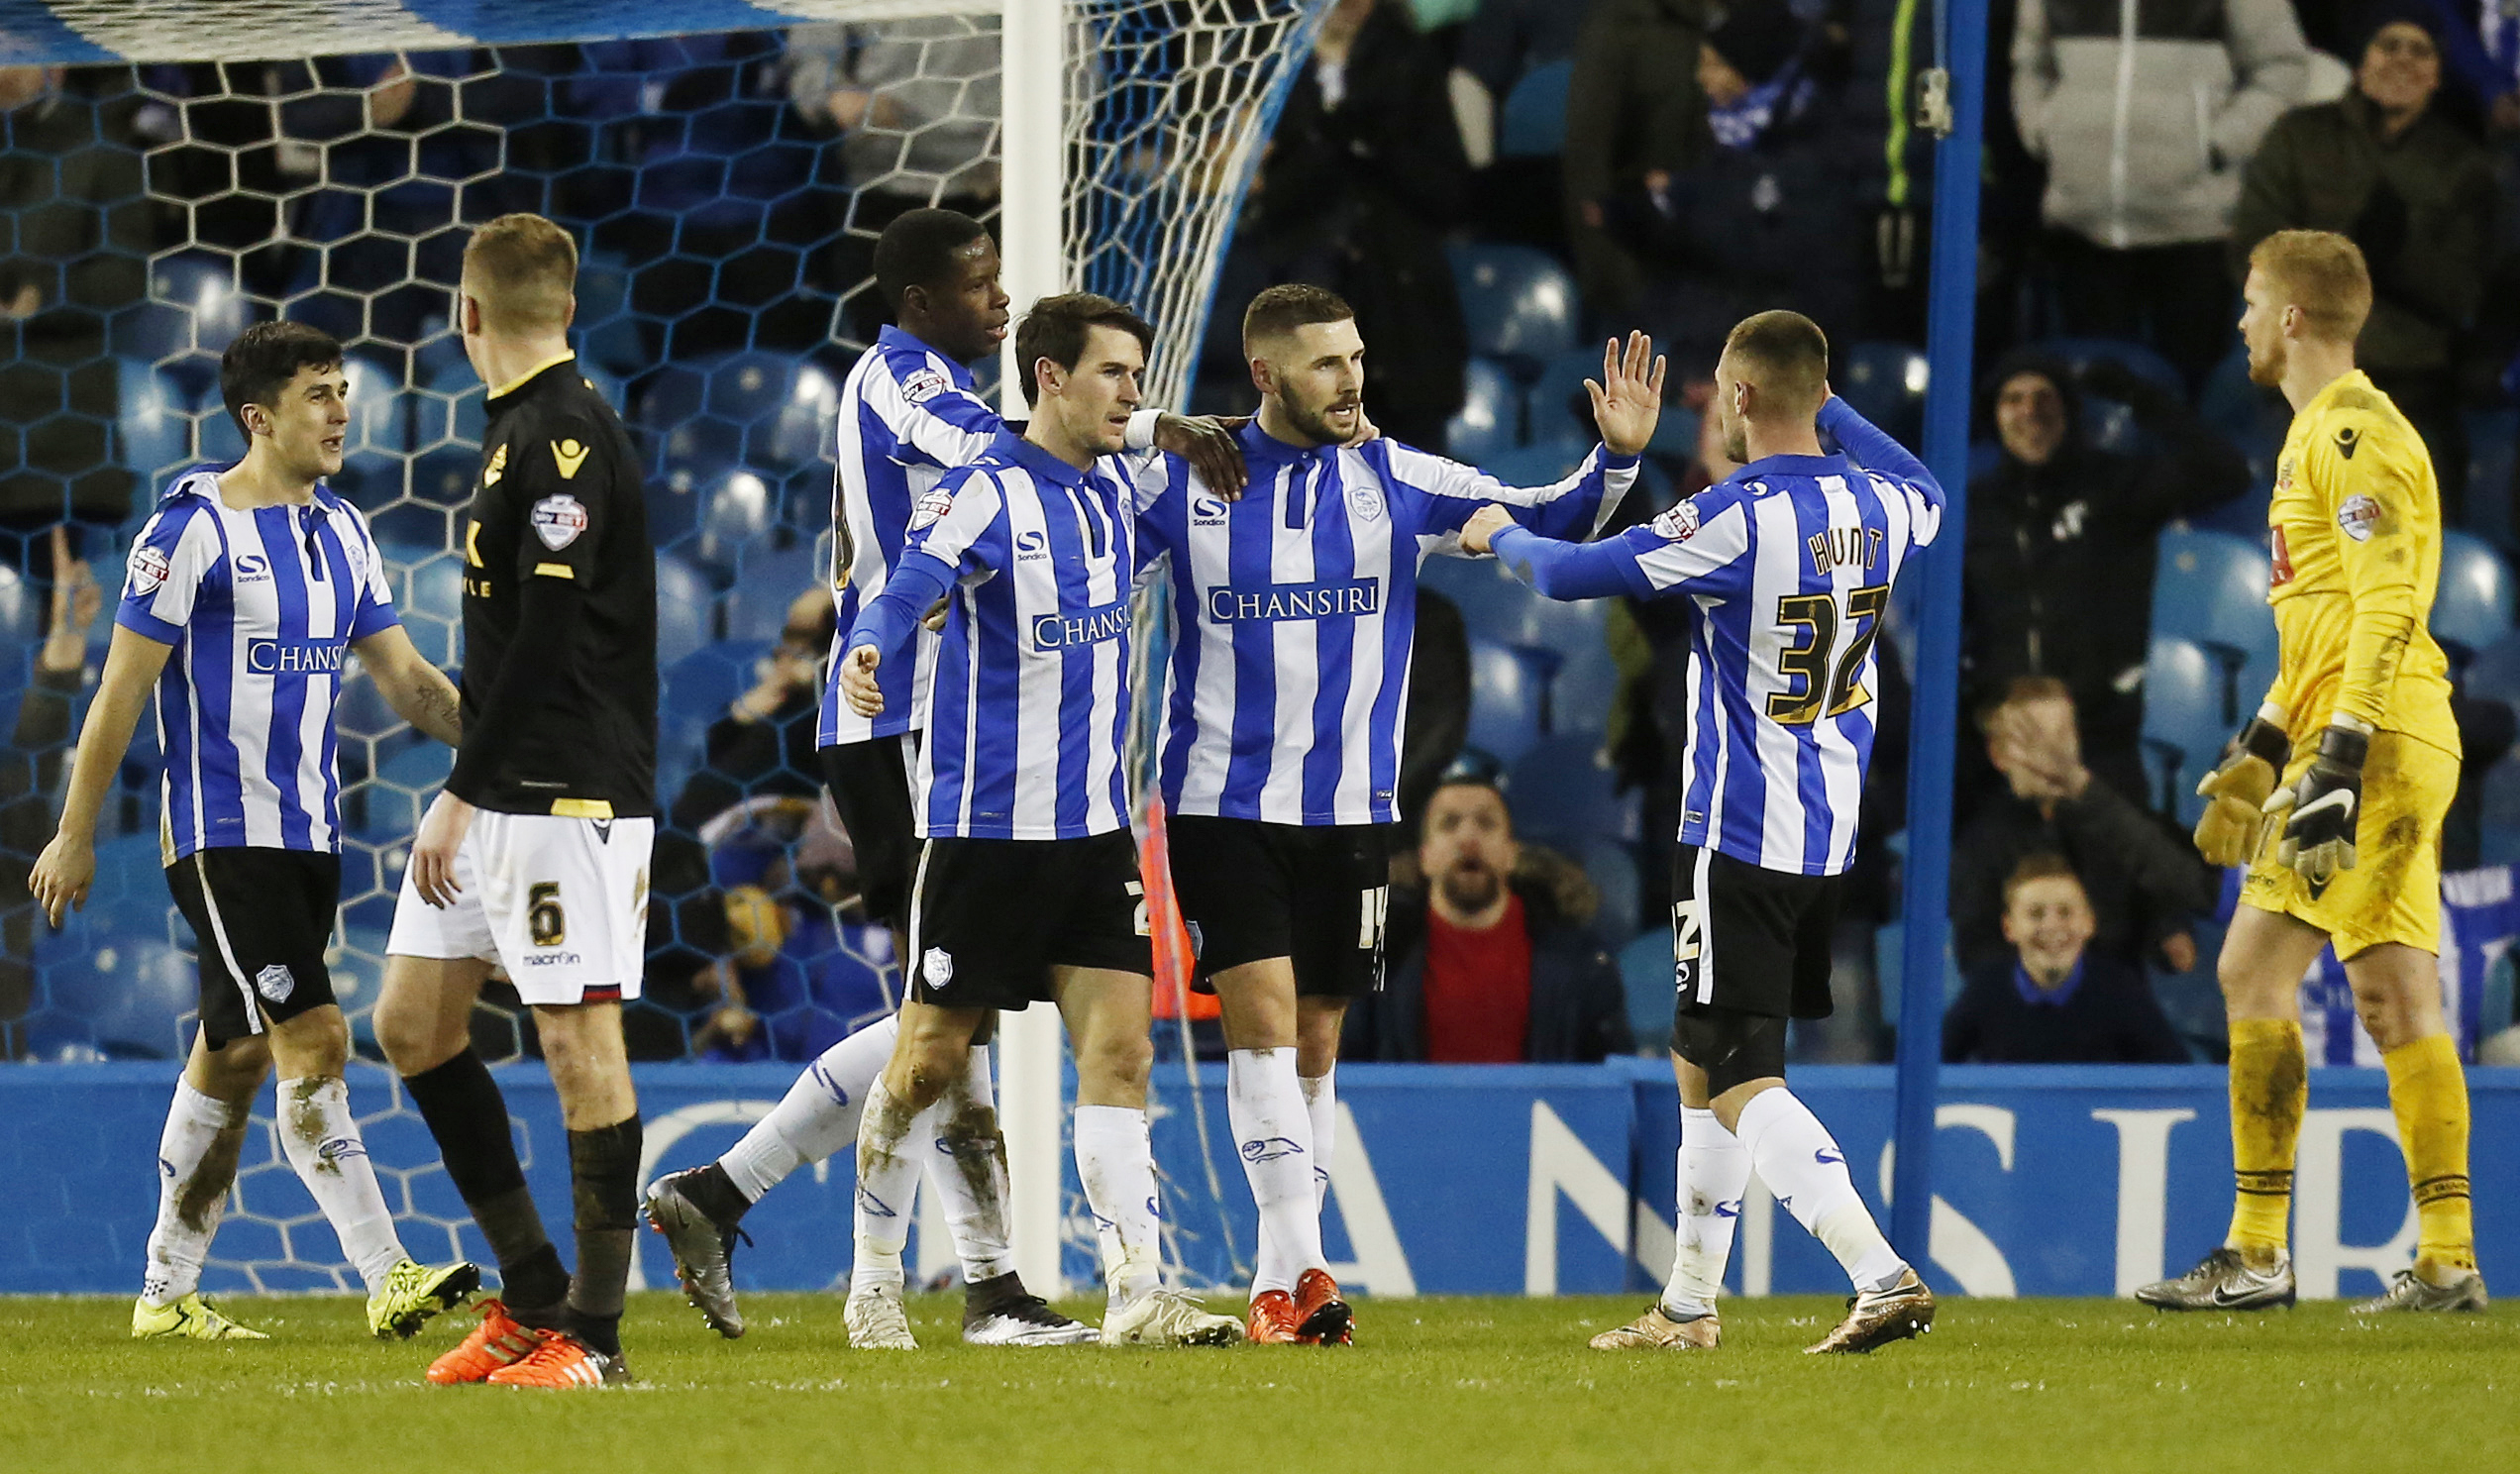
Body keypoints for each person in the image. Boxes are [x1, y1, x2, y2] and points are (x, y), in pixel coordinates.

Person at [639, 208, 1238, 1347]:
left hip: (980, 740)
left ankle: (969, 1279)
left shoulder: (1045, 460)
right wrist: (1154, 422)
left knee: (952, 1021)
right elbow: (1004, 450)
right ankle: (841, 1247)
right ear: (919, 303)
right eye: (980, 281)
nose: (999, 298)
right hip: (915, 729)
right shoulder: (896, 381)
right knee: (936, 1021)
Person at [1135, 285, 1657, 1342]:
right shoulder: (1186, 480)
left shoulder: (1399, 478)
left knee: (1318, 1040)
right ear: (1269, 376)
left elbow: (1539, 516)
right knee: (1266, 1027)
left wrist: (1617, 465)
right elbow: (1059, 493)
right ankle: (1304, 1271)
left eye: (1358, 356)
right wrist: (1153, 428)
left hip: (1351, 812)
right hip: (1219, 805)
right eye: (1327, 364)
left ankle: (1285, 1279)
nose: (1354, 380)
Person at [1462, 309, 1943, 1354]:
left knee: (1736, 1073)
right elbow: (1934, 489)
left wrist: (1494, 531)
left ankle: (1880, 1272)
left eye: (1724, 390)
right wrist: (1823, 405)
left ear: (1738, 400)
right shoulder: (1887, 505)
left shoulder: (1736, 515)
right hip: (1828, 835)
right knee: (1700, 1053)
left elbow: (1568, 575)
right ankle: (1688, 1304)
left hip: (1736, 832)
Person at [27, 321, 476, 1342]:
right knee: (313, 1037)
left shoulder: (345, 532)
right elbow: (120, 692)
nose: (340, 412)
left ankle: (163, 1294)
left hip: (312, 837)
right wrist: (76, 833)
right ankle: (387, 1273)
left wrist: (500, 751)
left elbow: (408, 680)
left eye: (343, 391)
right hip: (222, 833)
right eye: (318, 394)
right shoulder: (190, 532)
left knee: (230, 1058)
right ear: (258, 418)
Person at [833, 292, 1242, 1351]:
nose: (1135, 395)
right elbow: (907, 583)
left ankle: (1136, 1291)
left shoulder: (1118, 495)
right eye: (1115, 374)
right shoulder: (984, 492)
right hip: (984, 836)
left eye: (1140, 376)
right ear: (1050, 377)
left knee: (1122, 1058)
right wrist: (873, 647)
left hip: (1099, 834)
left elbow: (1212, 486)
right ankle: (873, 1284)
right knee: (927, 1063)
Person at [2139, 229, 2484, 1315]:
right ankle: (2446, 1259)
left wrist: (2336, 755)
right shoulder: (2320, 439)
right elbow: (2325, 632)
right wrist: (2262, 744)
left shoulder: (2344, 433)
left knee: (2251, 970)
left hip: (2375, 744)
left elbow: (2390, 606)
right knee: (2392, 996)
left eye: (2251, 303)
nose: (2240, 322)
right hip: (2382, 731)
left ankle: (2256, 1252)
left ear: (2291, 317)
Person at [368, 214, 657, 1388]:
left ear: (464, 315)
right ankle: (533, 1296)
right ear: (569, 304)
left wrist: (457, 790)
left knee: (578, 1039)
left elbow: (544, 637)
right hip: (506, 788)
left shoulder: (566, 436)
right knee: (412, 1026)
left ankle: (595, 1338)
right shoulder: (516, 435)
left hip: (562, 788)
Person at [2230, 3, 2499, 526]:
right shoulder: (2298, 137)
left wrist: (2397, 257)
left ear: (2437, 73)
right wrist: (2344, 261)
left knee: (2415, 545)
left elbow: (2465, 289)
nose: (2402, 60)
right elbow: (2254, 255)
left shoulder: (2463, 165)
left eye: (2419, 49)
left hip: (2411, 387)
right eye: (2387, 45)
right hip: (2302, 381)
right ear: (2359, 62)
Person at [1961, 349, 2251, 807]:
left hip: (2103, 743)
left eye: (2045, 397)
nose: (2030, 412)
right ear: (1994, 416)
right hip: (2003, 746)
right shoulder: (1974, 509)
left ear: (2070, 412)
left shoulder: (2113, 487)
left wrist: (2136, 396)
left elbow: (2226, 471)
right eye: (2013, 399)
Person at [2012, 0, 2310, 388]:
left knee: (2190, 394)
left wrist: (2217, 144)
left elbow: (2283, 68)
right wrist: (2045, 131)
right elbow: (2030, 65)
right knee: (2094, 394)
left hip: (2194, 230)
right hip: (2083, 227)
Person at [1243, 0, 1471, 451]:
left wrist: (1369, 143)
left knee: (1412, 485)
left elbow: (1451, 192)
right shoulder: (1267, 67)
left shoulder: (1409, 60)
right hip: (1304, 306)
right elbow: (1263, 201)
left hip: (1403, 319)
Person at [1622, 0, 1870, 369]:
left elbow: (1779, 271)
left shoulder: (1812, 157)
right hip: (1707, 344)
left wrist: (1683, 204)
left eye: (1714, 65)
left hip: (1773, 363)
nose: (1702, 78)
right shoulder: (1723, 148)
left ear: (1750, 70)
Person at [1343, 776, 1634, 1065]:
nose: (1468, 839)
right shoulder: (1375, 959)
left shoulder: (1581, 960)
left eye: (1486, 823)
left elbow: (1610, 1080)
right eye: (1449, 823)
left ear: (1511, 854)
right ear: (1425, 857)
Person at [1950, 678, 2217, 980]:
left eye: (2061, 736)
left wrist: (2168, 928)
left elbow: (2166, 886)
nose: (2050, 756)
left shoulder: (2112, 817)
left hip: (2115, 1003)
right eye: (2032, 741)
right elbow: (1976, 951)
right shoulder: (1981, 841)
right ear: (1998, 755)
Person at [1943, 855, 2191, 1064]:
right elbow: (1926, 1071)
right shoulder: (1985, 990)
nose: (2051, 926)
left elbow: (2178, 1078)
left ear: (2089, 923)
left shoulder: (2120, 990)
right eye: (2035, 914)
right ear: (2009, 928)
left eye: (2065, 913)